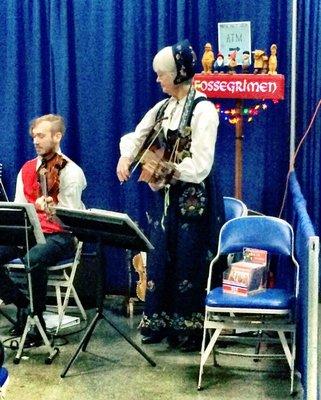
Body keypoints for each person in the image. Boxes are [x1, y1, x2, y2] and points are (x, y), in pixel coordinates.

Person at [116, 39, 225, 352]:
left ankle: (188, 329)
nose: (158, 79)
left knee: (189, 260)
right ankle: (160, 323)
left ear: (178, 74)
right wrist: (127, 157)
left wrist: (169, 170)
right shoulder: (164, 108)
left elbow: (201, 165)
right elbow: (136, 137)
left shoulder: (204, 110)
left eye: (162, 74)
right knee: (162, 257)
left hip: (194, 201)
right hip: (165, 201)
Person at [0, 114, 86, 346]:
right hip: (30, 233)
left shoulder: (71, 172)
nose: (36, 141)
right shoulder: (27, 169)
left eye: (41, 136)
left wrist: (53, 210)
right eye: (34, 136)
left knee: (34, 258)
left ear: (57, 137)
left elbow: (72, 219)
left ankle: (36, 323)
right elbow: (19, 208)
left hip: (60, 235)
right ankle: (23, 305)